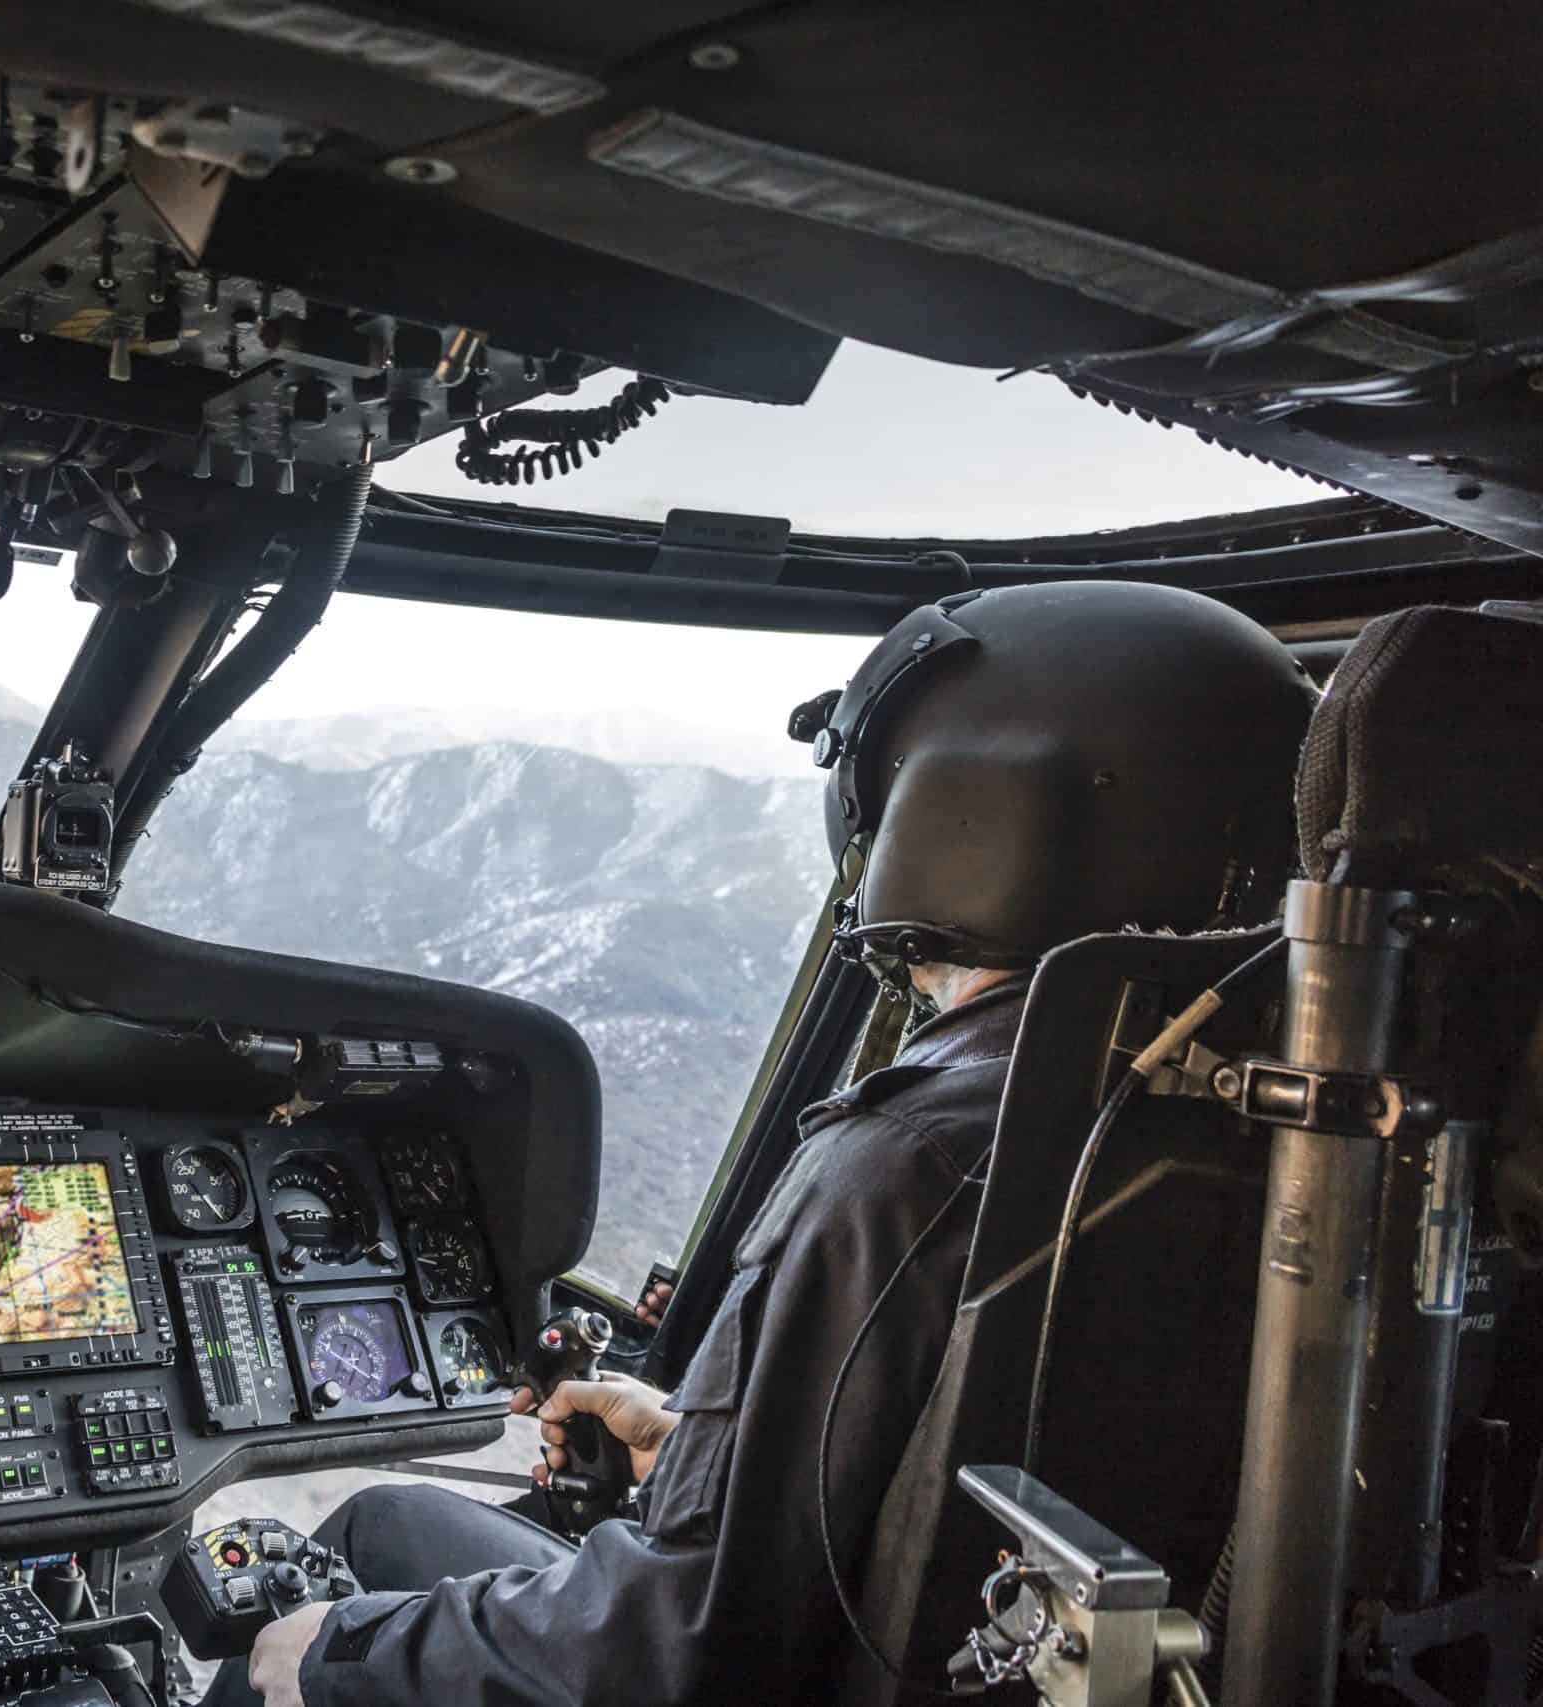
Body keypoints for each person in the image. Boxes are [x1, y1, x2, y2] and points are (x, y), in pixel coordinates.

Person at [210, 581, 1319, 1707]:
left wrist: (338, 1656)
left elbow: (682, 1649)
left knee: (302, 1630)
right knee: (393, 1520)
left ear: (962, 806)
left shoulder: (911, 1160)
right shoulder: (1271, 1126)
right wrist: (701, 1457)